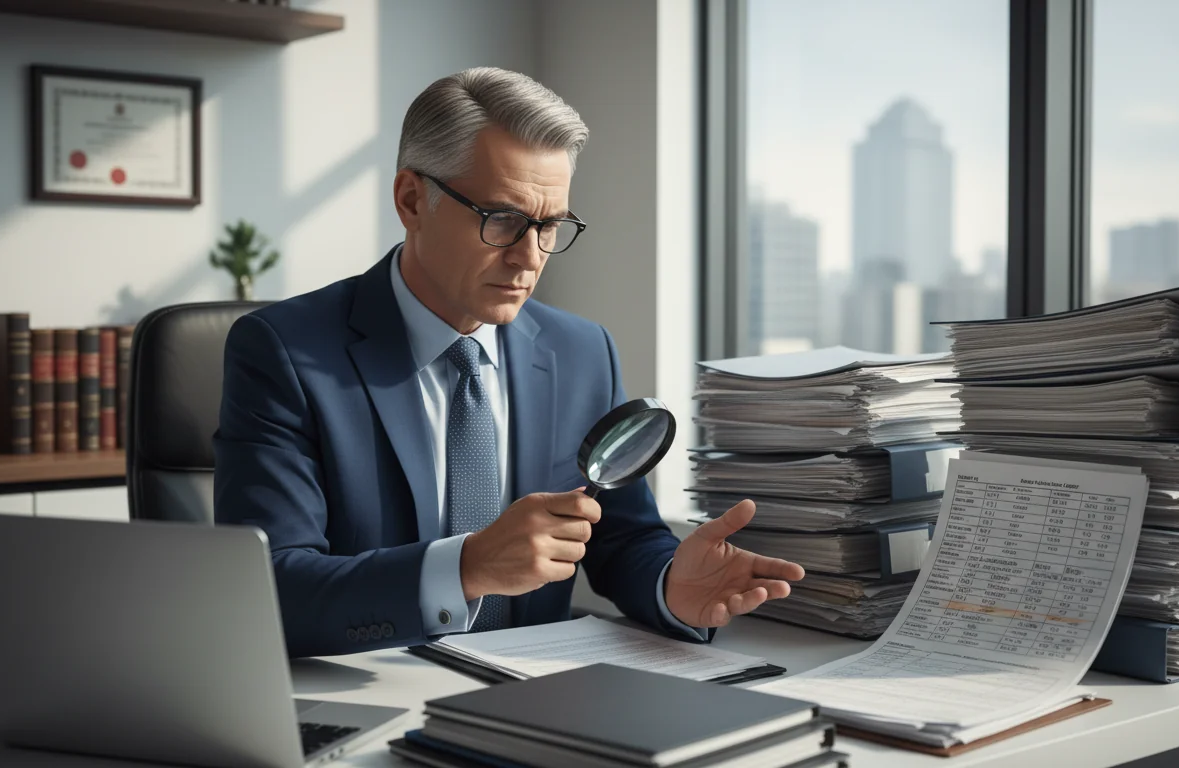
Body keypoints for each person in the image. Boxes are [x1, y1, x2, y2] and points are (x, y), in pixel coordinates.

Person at [214, 67, 804, 658]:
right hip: (369, 698)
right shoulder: (285, 352)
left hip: (533, 700)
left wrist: (671, 586)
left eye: (550, 226)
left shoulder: (581, 352)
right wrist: (466, 567)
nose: (530, 257)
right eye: (502, 219)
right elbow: (271, 587)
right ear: (412, 200)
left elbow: (620, 537)